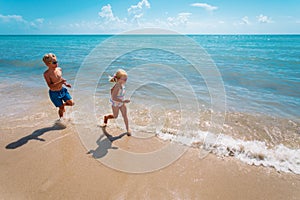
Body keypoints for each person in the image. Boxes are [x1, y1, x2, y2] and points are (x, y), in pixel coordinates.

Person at [43, 53, 74, 119]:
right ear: (48, 64)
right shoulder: (47, 74)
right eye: (54, 62)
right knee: (61, 109)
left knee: (71, 103)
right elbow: (50, 86)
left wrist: (65, 84)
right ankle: (61, 120)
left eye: (56, 61)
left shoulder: (59, 69)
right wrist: (60, 82)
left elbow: (60, 78)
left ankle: (62, 105)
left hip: (62, 90)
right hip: (54, 93)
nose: (56, 63)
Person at [102, 69, 131, 136]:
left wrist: (124, 100)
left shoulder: (122, 85)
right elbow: (113, 97)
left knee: (125, 116)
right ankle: (106, 117)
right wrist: (123, 101)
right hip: (115, 103)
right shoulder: (117, 86)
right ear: (118, 79)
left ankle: (128, 129)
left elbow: (119, 94)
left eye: (126, 79)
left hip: (121, 103)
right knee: (115, 116)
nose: (125, 80)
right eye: (124, 79)